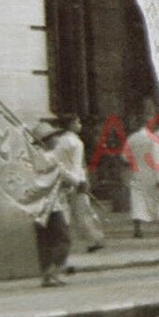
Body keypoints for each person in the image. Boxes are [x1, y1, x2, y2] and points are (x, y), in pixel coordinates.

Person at [31, 119, 81, 287]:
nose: (56, 139)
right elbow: (65, 174)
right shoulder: (50, 157)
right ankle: (53, 272)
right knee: (63, 238)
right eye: (52, 137)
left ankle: (46, 274)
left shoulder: (33, 158)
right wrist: (78, 182)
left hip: (37, 206)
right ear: (45, 140)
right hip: (52, 205)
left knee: (45, 241)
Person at [55, 114, 104, 254]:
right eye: (78, 122)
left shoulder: (59, 141)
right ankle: (94, 239)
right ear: (71, 124)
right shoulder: (75, 142)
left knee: (66, 211)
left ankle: (68, 241)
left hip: (64, 179)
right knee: (84, 211)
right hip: (76, 179)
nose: (80, 125)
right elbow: (77, 165)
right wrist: (81, 181)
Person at [126, 115, 159, 238]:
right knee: (158, 200)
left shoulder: (131, 139)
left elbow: (125, 157)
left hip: (137, 173)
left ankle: (138, 228)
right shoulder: (153, 139)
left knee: (137, 201)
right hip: (152, 174)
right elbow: (157, 159)